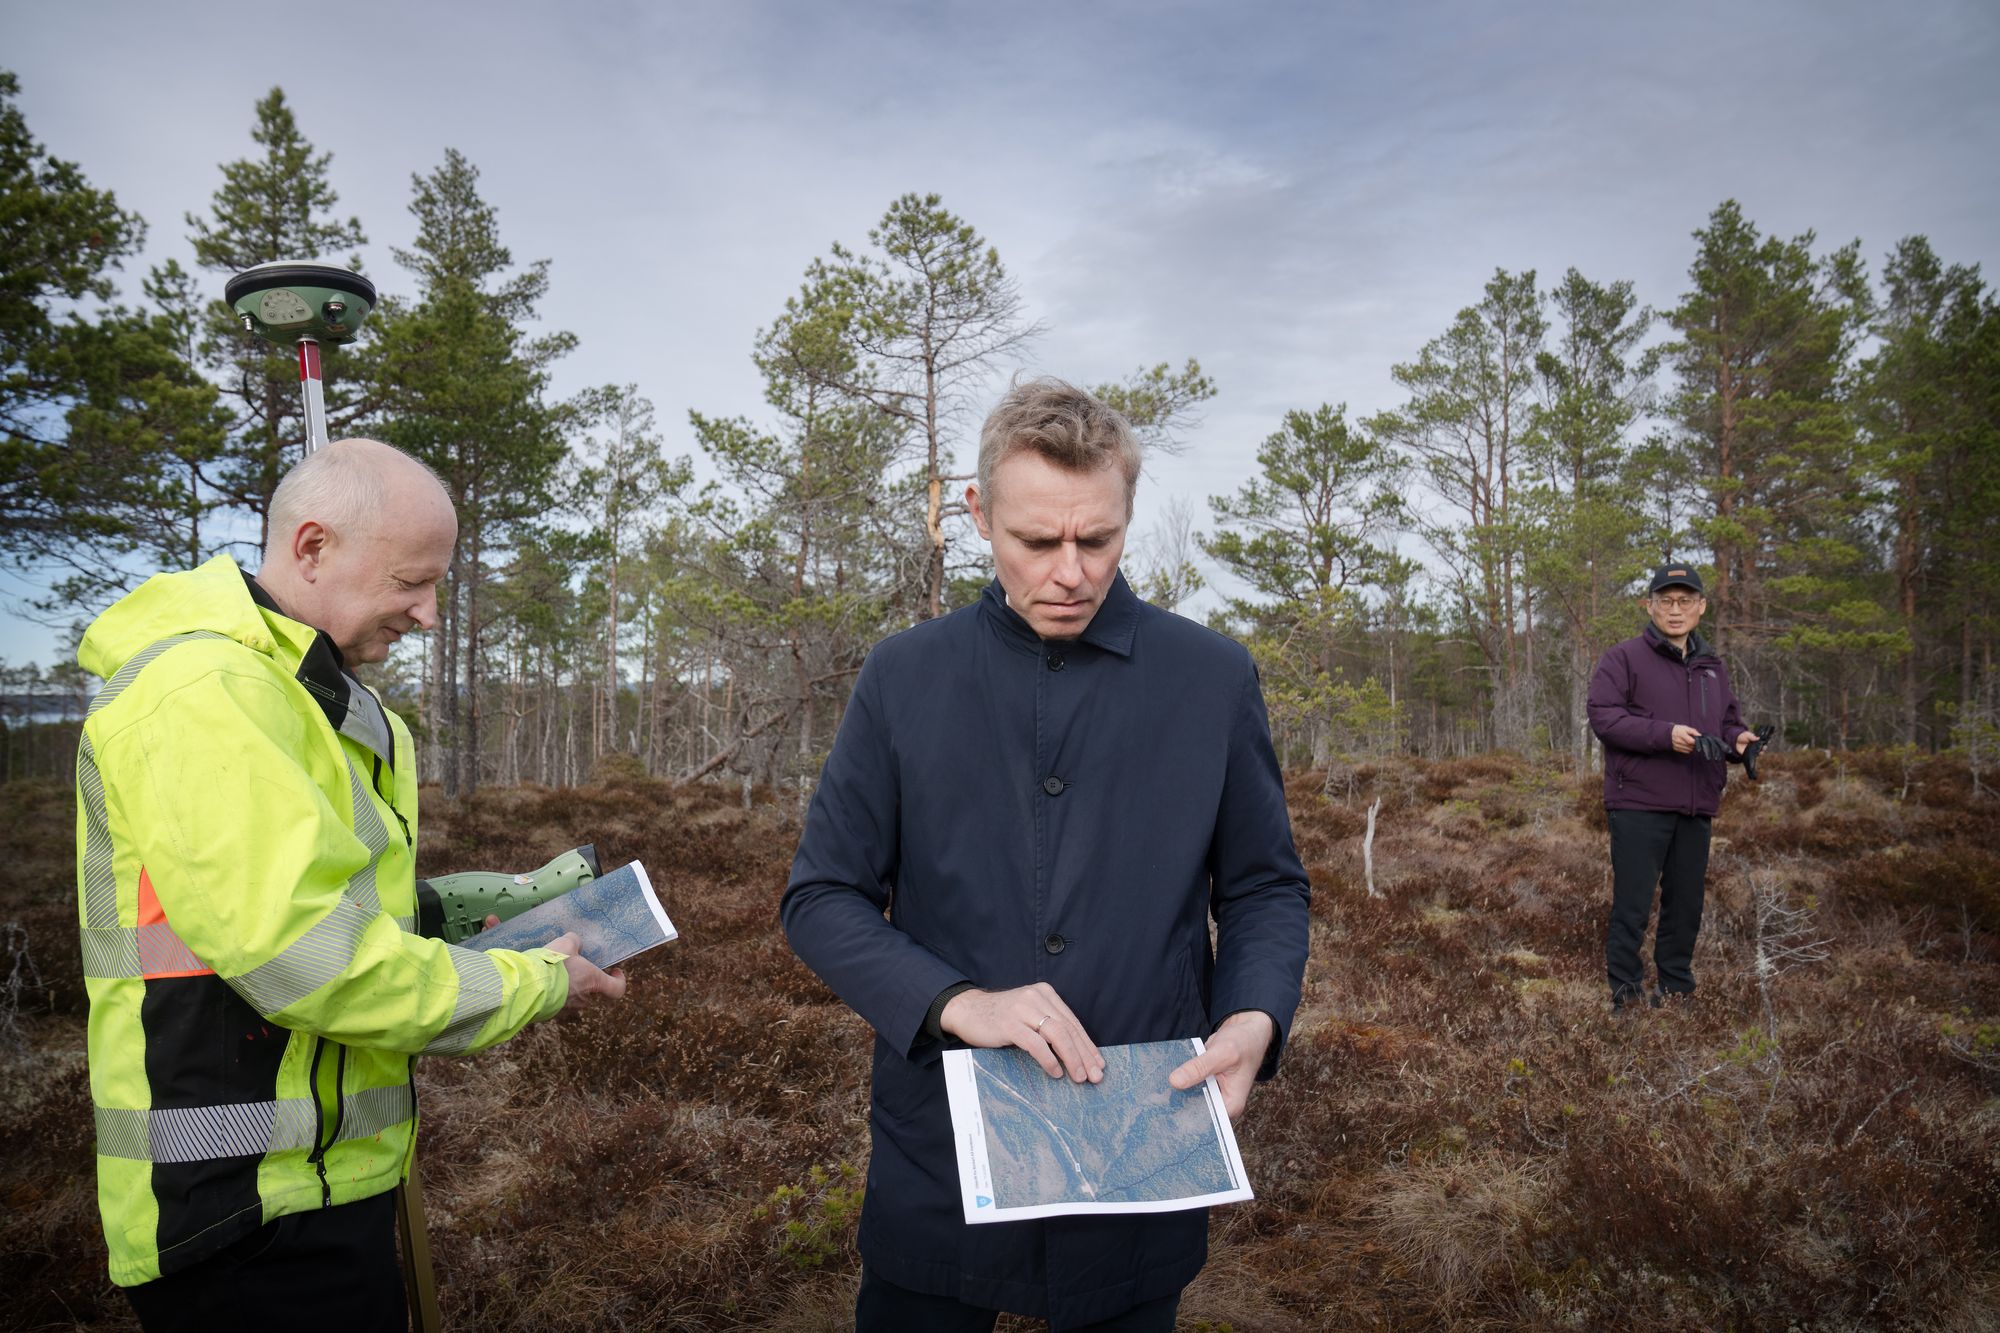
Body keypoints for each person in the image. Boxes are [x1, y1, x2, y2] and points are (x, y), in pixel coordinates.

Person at [781, 378, 1311, 1331]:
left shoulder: (1211, 677)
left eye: (1097, 539)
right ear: (978, 515)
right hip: (938, 1144)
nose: (1070, 571)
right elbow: (822, 897)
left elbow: (1266, 884)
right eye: (1036, 542)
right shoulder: (904, 677)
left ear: (1126, 517)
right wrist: (958, 1003)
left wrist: (1255, 1016)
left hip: (1142, 1134)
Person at [73, 438, 627, 1330]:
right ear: (312, 547)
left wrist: (465, 907)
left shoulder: (309, 696)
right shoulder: (206, 691)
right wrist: (539, 977)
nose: (431, 614)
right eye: (412, 581)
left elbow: (327, 900)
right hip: (242, 1213)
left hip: (321, 1184)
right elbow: (309, 960)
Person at [1587, 562, 1755, 1011]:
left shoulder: (1712, 667)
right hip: (1639, 802)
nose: (1675, 610)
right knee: (1633, 906)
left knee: (1686, 908)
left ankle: (1676, 991)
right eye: (1665, 601)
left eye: (1684, 601)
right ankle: (1626, 998)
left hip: (1696, 803)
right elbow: (1604, 717)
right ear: (1650, 606)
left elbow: (1728, 722)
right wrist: (1666, 735)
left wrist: (1740, 741)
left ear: (1701, 607)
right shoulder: (1622, 658)